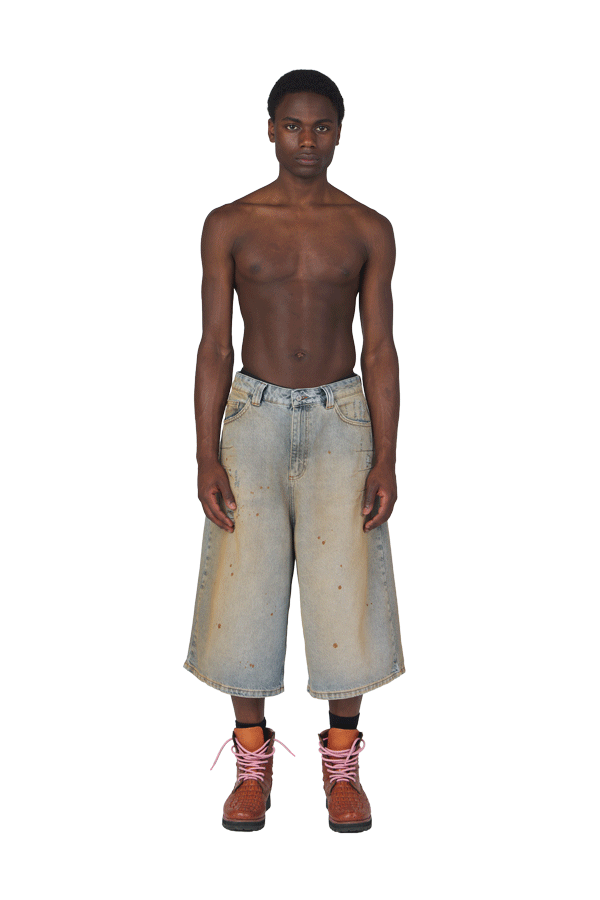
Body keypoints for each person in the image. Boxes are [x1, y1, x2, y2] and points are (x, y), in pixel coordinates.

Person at [183, 69, 405, 833]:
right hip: (255, 416)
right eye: (292, 125)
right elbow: (215, 346)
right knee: (243, 588)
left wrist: (386, 455)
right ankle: (252, 764)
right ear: (270, 129)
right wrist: (206, 454)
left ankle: (343, 766)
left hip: (342, 418)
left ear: (339, 132)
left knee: (347, 588)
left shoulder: (368, 228)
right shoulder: (230, 223)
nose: (307, 140)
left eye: (321, 126)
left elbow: (381, 349)